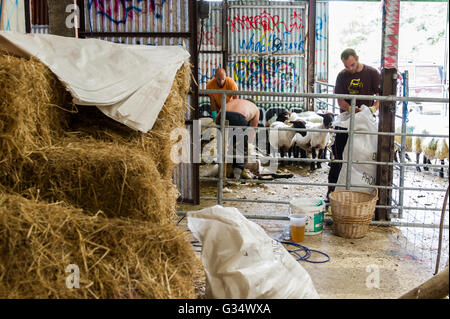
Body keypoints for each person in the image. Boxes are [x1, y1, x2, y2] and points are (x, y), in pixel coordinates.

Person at [327, 48, 381, 199]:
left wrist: (373, 109)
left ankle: (364, 193)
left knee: (364, 155)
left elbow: (380, 97)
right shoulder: (342, 75)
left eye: (352, 65)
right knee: (338, 155)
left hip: (365, 121)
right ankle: (331, 192)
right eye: (347, 66)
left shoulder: (372, 73)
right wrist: (351, 109)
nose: (350, 69)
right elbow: (340, 100)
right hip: (347, 119)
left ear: (357, 58)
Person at [216, 98, 259, 179]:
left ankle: (221, 171)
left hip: (221, 116)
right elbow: (253, 129)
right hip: (238, 117)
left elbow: (217, 117)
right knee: (241, 147)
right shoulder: (255, 108)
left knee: (222, 145)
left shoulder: (235, 101)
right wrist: (249, 145)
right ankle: (236, 175)